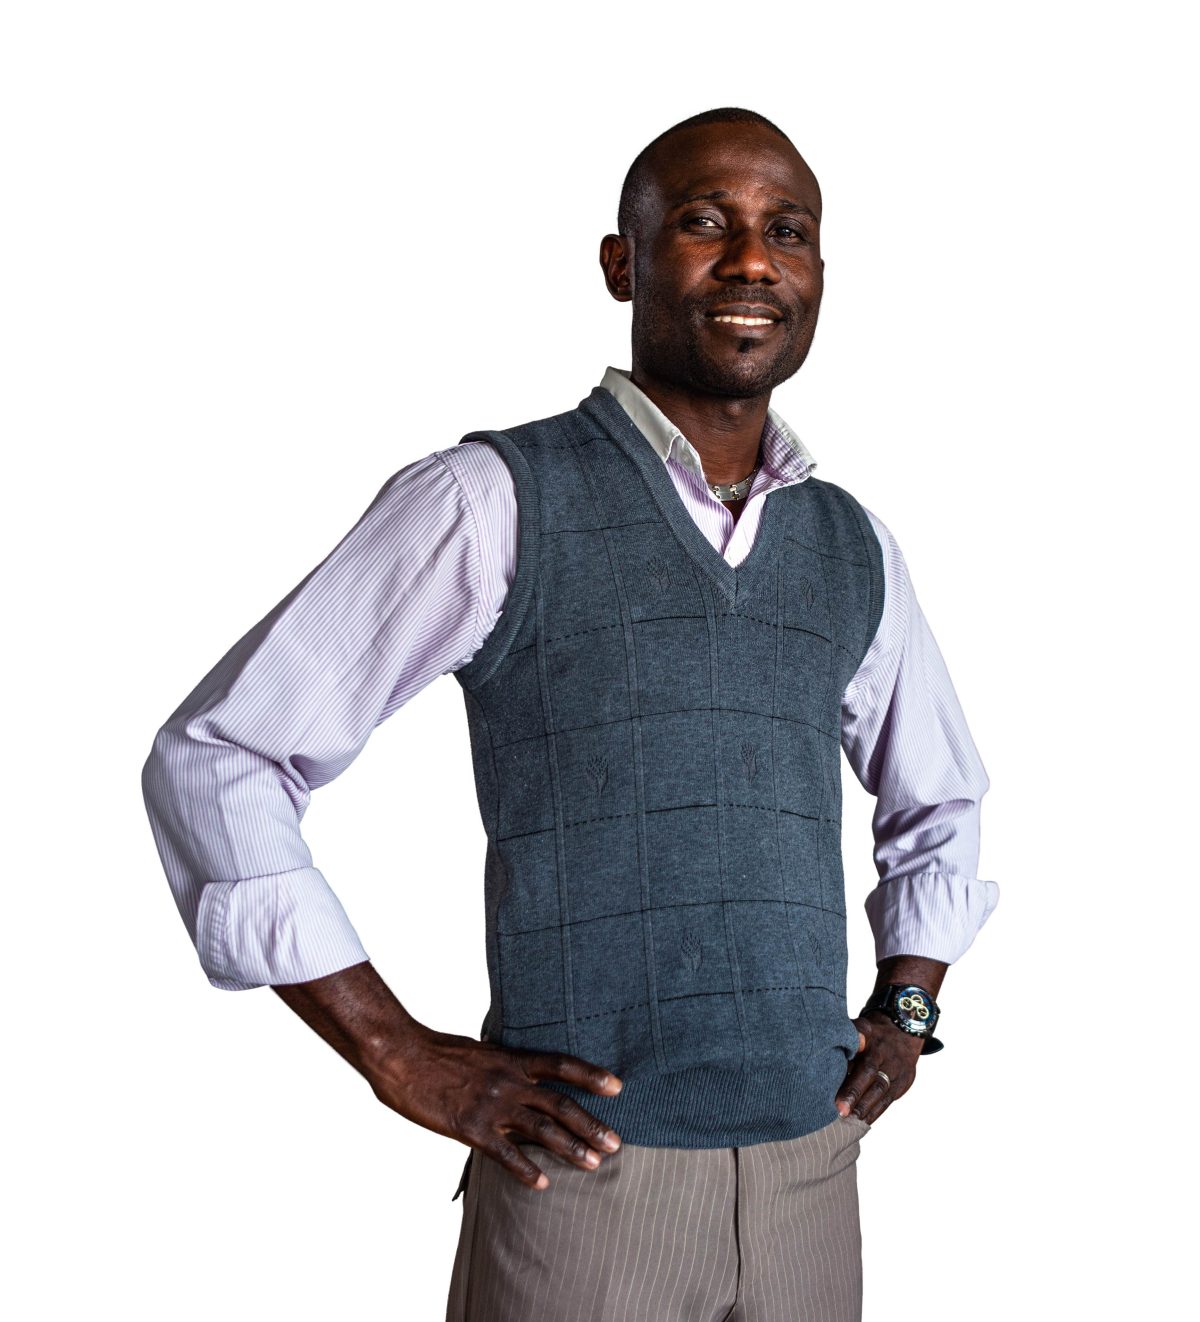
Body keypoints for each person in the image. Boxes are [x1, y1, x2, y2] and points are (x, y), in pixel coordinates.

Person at [142, 106, 998, 1322]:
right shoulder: (493, 497)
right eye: (705, 222)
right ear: (622, 264)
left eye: (788, 232)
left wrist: (908, 1010)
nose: (753, 261)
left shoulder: (852, 545)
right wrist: (395, 1050)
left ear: (818, 274)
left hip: (814, 1172)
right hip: (587, 1182)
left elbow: (940, 797)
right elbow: (220, 755)